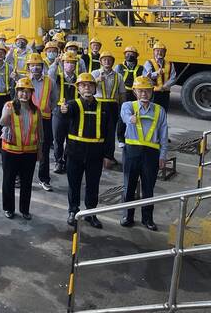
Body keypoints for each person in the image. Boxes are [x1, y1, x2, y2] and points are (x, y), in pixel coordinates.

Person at [62, 73, 116, 228]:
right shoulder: (72, 105)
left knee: (93, 185)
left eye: (90, 85)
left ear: (95, 88)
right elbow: (63, 117)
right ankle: (73, 211)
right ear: (78, 89)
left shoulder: (104, 108)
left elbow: (109, 133)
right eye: (83, 85)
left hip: (96, 154)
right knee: (74, 184)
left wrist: (108, 155)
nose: (87, 88)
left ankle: (90, 213)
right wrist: (62, 110)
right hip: (74, 153)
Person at [119, 76, 169, 231]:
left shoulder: (159, 110)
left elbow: (164, 134)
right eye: (140, 91)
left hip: (151, 154)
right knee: (129, 186)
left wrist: (162, 156)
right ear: (134, 91)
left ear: (152, 91)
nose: (144, 94)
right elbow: (124, 116)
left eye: (147, 91)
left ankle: (148, 219)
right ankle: (128, 216)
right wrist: (130, 119)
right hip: (132, 151)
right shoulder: (128, 106)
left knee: (148, 188)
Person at [0, 78, 43, 220]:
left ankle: (25, 210)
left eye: (27, 92)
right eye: (21, 92)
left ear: (31, 94)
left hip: (29, 152)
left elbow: (40, 132)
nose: (24, 94)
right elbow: (2, 122)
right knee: (8, 181)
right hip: (10, 150)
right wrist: (7, 114)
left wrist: (40, 151)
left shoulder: (36, 111)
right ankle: (8, 208)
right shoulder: (9, 106)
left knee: (26, 183)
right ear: (16, 92)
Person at [26, 53, 56, 191]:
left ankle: (44, 179)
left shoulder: (50, 81)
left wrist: (48, 109)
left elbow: (54, 100)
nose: (35, 67)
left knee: (44, 150)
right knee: (26, 148)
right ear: (28, 67)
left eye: (38, 65)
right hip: (27, 119)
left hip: (45, 120)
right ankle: (23, 177)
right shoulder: (24, 81)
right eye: (32, 65)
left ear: (42, 67)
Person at [50, 51, 79, 175]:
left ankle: (67, 161)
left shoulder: (79, 79)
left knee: (71, 139)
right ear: (63, 64)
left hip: (73, 112)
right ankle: (58, 161)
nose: (70, 65)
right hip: (58, 112)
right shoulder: (58, 77)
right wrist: (55, 63)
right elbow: (49, 74)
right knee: (58, 139)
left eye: (72, 63)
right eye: (67, 62)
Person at [143, 42, 176, 115]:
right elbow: (147, 76)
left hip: (165, 93)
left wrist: (165, 86)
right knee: (152, 113)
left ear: (165, 53)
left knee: (163, 113)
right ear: (154, 52)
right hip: (153, 93)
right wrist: (157, 73)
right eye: (157, 51)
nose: (159, 53)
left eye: (162, 51)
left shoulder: (170, 64)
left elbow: (173, 78)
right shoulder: (148, 63)